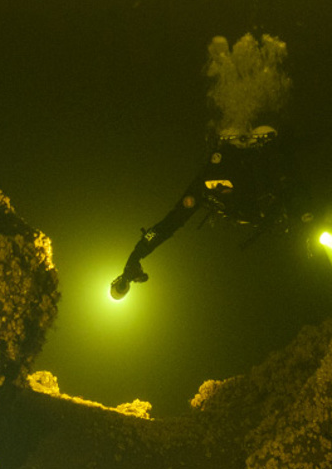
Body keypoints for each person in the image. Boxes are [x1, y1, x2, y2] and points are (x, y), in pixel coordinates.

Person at [109, 33, 313, 300]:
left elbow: (169, 225)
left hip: (268, 204)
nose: (218, 184)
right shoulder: (206, 189)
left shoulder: (247, 178)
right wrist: (134, 258)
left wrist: (307, 223)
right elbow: (168, 225)